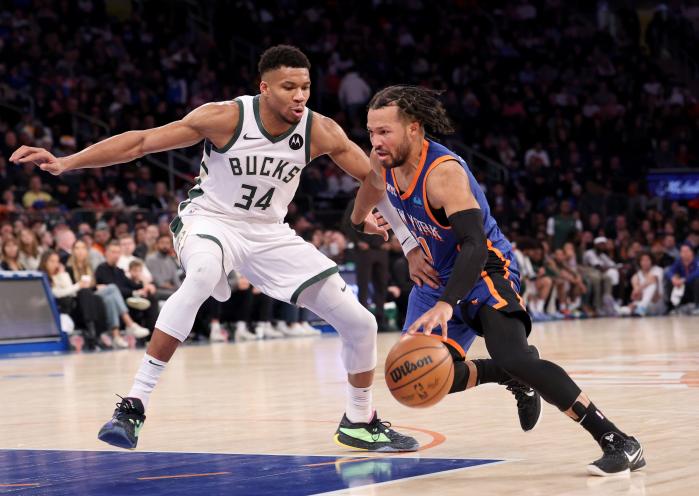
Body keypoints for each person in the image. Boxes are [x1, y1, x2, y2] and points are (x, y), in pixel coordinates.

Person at [10, 45, 420, 453]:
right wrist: (66, 163)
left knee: (361, 324)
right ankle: (133, 406)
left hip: (269, 232)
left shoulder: (319, 130)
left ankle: (359, 421)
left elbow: (374, 178)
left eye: (306, 87)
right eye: (289, 87)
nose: (299, 96)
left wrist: (373, 222)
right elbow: (140, 143)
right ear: (265, 88)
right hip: (210, 220)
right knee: (203, 274)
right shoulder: (225, 117)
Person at [357, 85, 645, 476]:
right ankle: (509, 376)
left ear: (413, 128)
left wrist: (447, 302)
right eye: (371, 132)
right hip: (435, 278)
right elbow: (372, 190)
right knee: (417, 376)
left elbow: (474, 245)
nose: (375, 142)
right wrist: (370, 225)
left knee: (515, 356)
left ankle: (618, 441)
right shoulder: (382, 161)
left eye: (384, 131)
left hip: (484, 269)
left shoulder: (444, 174)